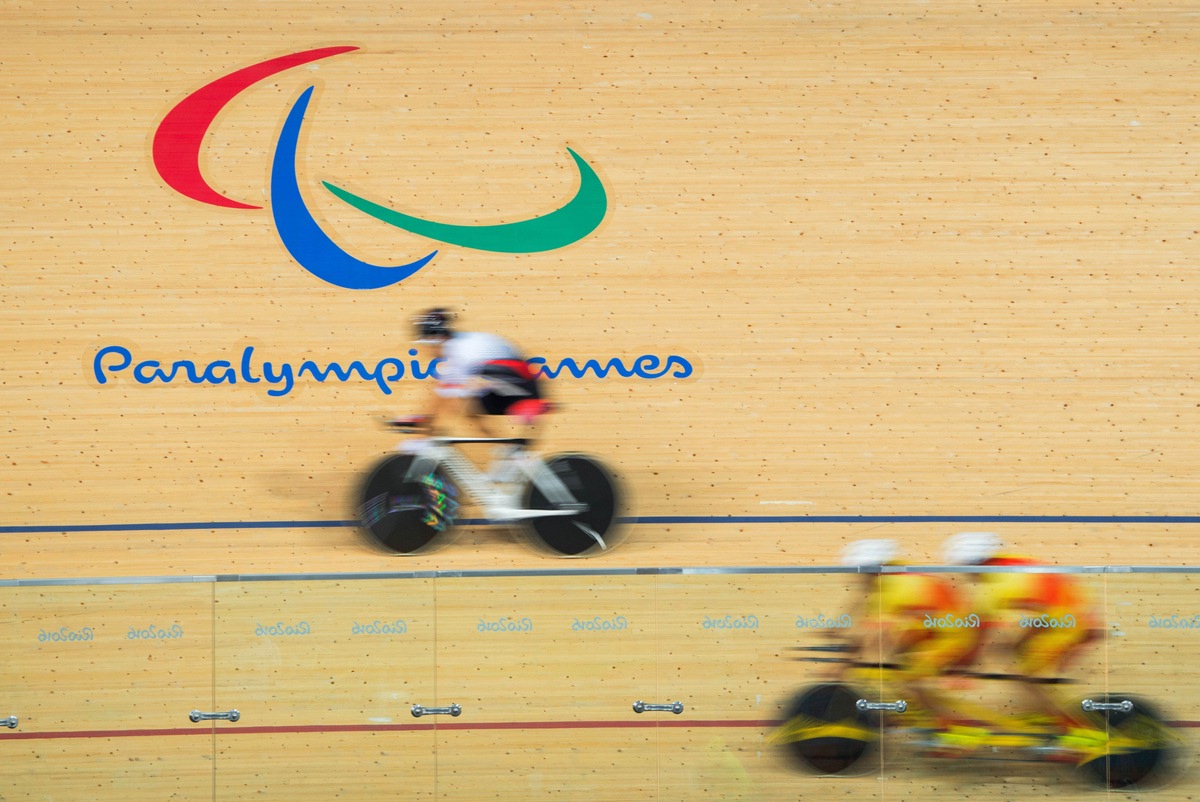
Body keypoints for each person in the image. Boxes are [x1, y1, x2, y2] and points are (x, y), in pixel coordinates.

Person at [941, 532, 1102, 733]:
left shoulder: (998, 584)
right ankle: (1049, 710)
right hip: (1065, 620)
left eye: (964, 569)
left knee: (1026, 676)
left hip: (1066, 626)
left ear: (975, 563)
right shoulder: (1016, 564)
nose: (965, 575)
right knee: (1012, 653)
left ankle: (1071, 726)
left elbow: (980, 632)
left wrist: (963, 666)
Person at [839, 539, 980, 733]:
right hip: (936, 633)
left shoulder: (894, 586)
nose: (858, 577)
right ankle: (928, 714)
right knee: (893, 668)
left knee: (907, 675)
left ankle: (952, 725)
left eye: (860, 572)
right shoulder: (896, 578)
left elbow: (878, 633)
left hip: (950, 639)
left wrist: (850, 660)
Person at [401, 308, 550, 438]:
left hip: (508, 380)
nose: (428, 351)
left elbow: (442, 394)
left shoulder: (454, 348)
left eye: (427, 346)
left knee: (461, 404)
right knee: (466, 404)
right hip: (525, 383)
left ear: (435, 340)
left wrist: (424, 423)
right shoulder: (467, 340)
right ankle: (510, 452)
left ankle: (506, 450)